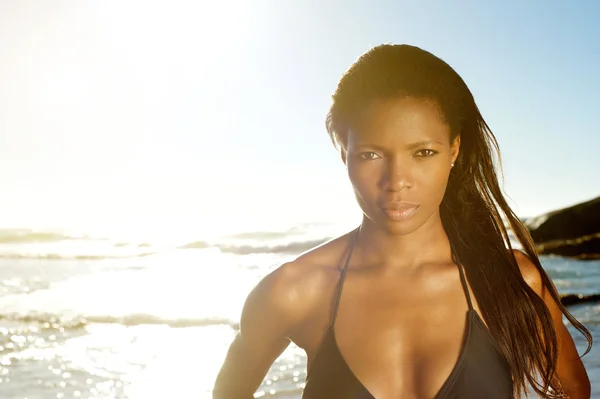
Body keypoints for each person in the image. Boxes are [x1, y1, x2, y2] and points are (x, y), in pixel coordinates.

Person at [212, 44, 592, 398]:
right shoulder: (292, 293)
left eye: (423, 152)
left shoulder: (510, 282)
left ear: (454, 150)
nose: (397, 181)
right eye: (371, 155)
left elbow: (575, 392)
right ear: (343, 151)